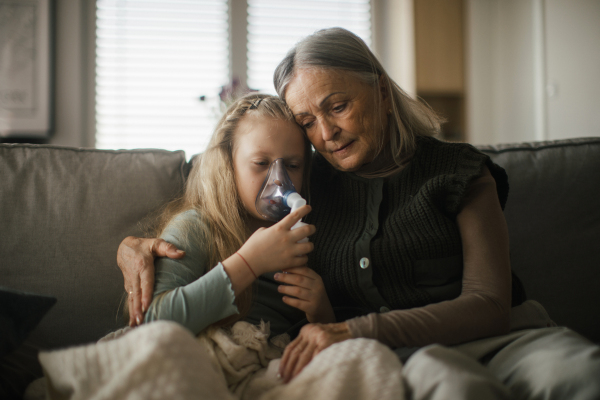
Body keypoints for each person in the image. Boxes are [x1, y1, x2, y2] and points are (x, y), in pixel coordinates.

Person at [118, 28, 600, 399]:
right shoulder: (306, 187)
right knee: (452, 386)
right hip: (413, 358)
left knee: (579, 372)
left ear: (382, 93)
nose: (326, 133)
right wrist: (134, 247)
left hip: (509, 337)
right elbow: (224, 187)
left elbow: (490, 305)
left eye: (339, 106)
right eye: (308, 121)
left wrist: (354, 328)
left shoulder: (459, 172)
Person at [136, 93, 336, 335]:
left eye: (292, 166)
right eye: (261, 163)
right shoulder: (196, 228)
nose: (279, 181)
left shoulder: (310, 233)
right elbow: (152, 322)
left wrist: (322, 312)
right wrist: (250, 262)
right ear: (228, 165)